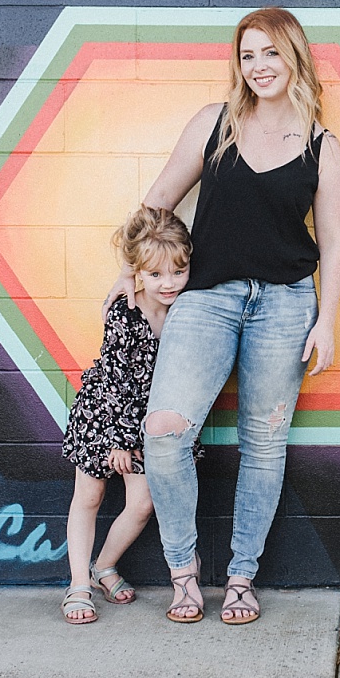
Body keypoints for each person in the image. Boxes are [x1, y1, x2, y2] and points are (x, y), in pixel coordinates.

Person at [106, 7, 340, 625]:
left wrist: (327, 320)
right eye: (248, 55)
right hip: (206, 299)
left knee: (263, 447)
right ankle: (183, 576)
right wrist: (128, 276)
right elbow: (157, 202)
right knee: (164, 434)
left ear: (294, 56)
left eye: (270, 52)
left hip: (287, 304)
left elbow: (336, 239)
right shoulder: (215, 125)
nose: (259, 66)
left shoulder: (321, 144)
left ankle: (241, 579)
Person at [61, 207, 192, 624]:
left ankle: (104, 566)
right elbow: (117, 378)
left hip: (148, 422)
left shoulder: (186, 311)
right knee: (90, 496)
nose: (168, 283)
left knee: (142, 504)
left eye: (178, 271)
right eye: (155, 275)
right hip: (105, 416)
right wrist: (119, 439)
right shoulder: (124, 311)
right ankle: (78, 583)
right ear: (137, 272)